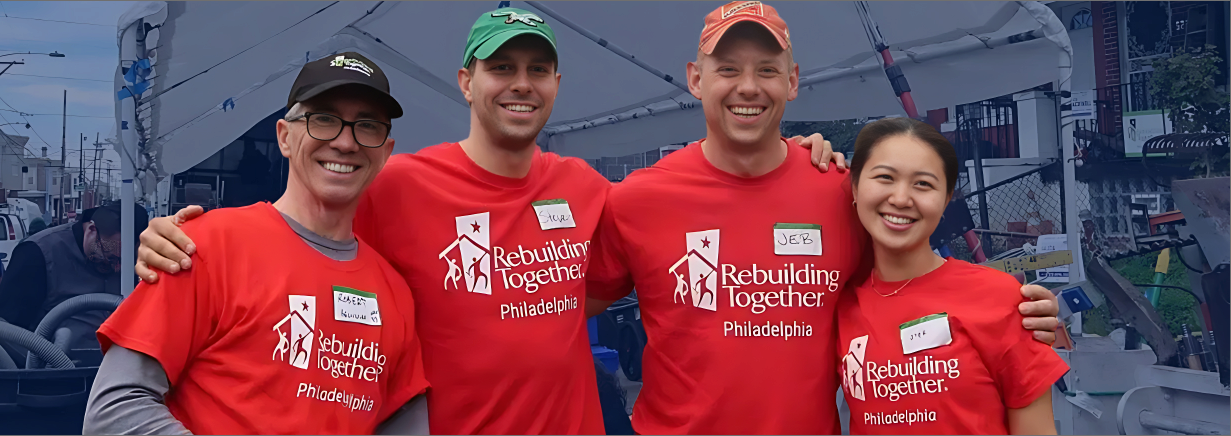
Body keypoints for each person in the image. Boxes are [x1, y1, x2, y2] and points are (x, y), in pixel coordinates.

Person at [134, 6, 844, 435]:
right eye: (501, 67)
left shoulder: (592, 190)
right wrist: (184, 239)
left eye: (538, 68)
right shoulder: (400, 184)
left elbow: (594, 290)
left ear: (557, 86)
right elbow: (305, 236)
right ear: (467, 82)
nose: (521, 83)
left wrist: (813, 156)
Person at [583, 2, 1062, 434]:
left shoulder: (837, 190)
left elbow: (907, 287)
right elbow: (559, 313)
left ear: (792, 81)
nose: (748, 86)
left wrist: (1011, 314)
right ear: (694, 78)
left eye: (767, 70)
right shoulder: (639, 199)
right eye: (727, 68)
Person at [83, 52, 429, 435]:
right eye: (324, 120)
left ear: (385, 152)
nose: (345, 142)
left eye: (367, 126)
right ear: (284, 136)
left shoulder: (394, 293)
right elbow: (113, 412)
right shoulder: (201, 247)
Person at [836, 118, 1067, 434]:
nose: (901, 199)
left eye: (923, 184)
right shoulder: (841, 306)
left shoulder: (1000, 296)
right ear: (855, 188)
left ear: (945, 201)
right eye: (885, 177)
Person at [0, 202, 148, 350]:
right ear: (92, 231)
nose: (117, 268)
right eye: (111, 257)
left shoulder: (138, 258)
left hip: (120, 364)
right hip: (57, 367)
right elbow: (5, 328)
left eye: (126, 261)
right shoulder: (38, 253)